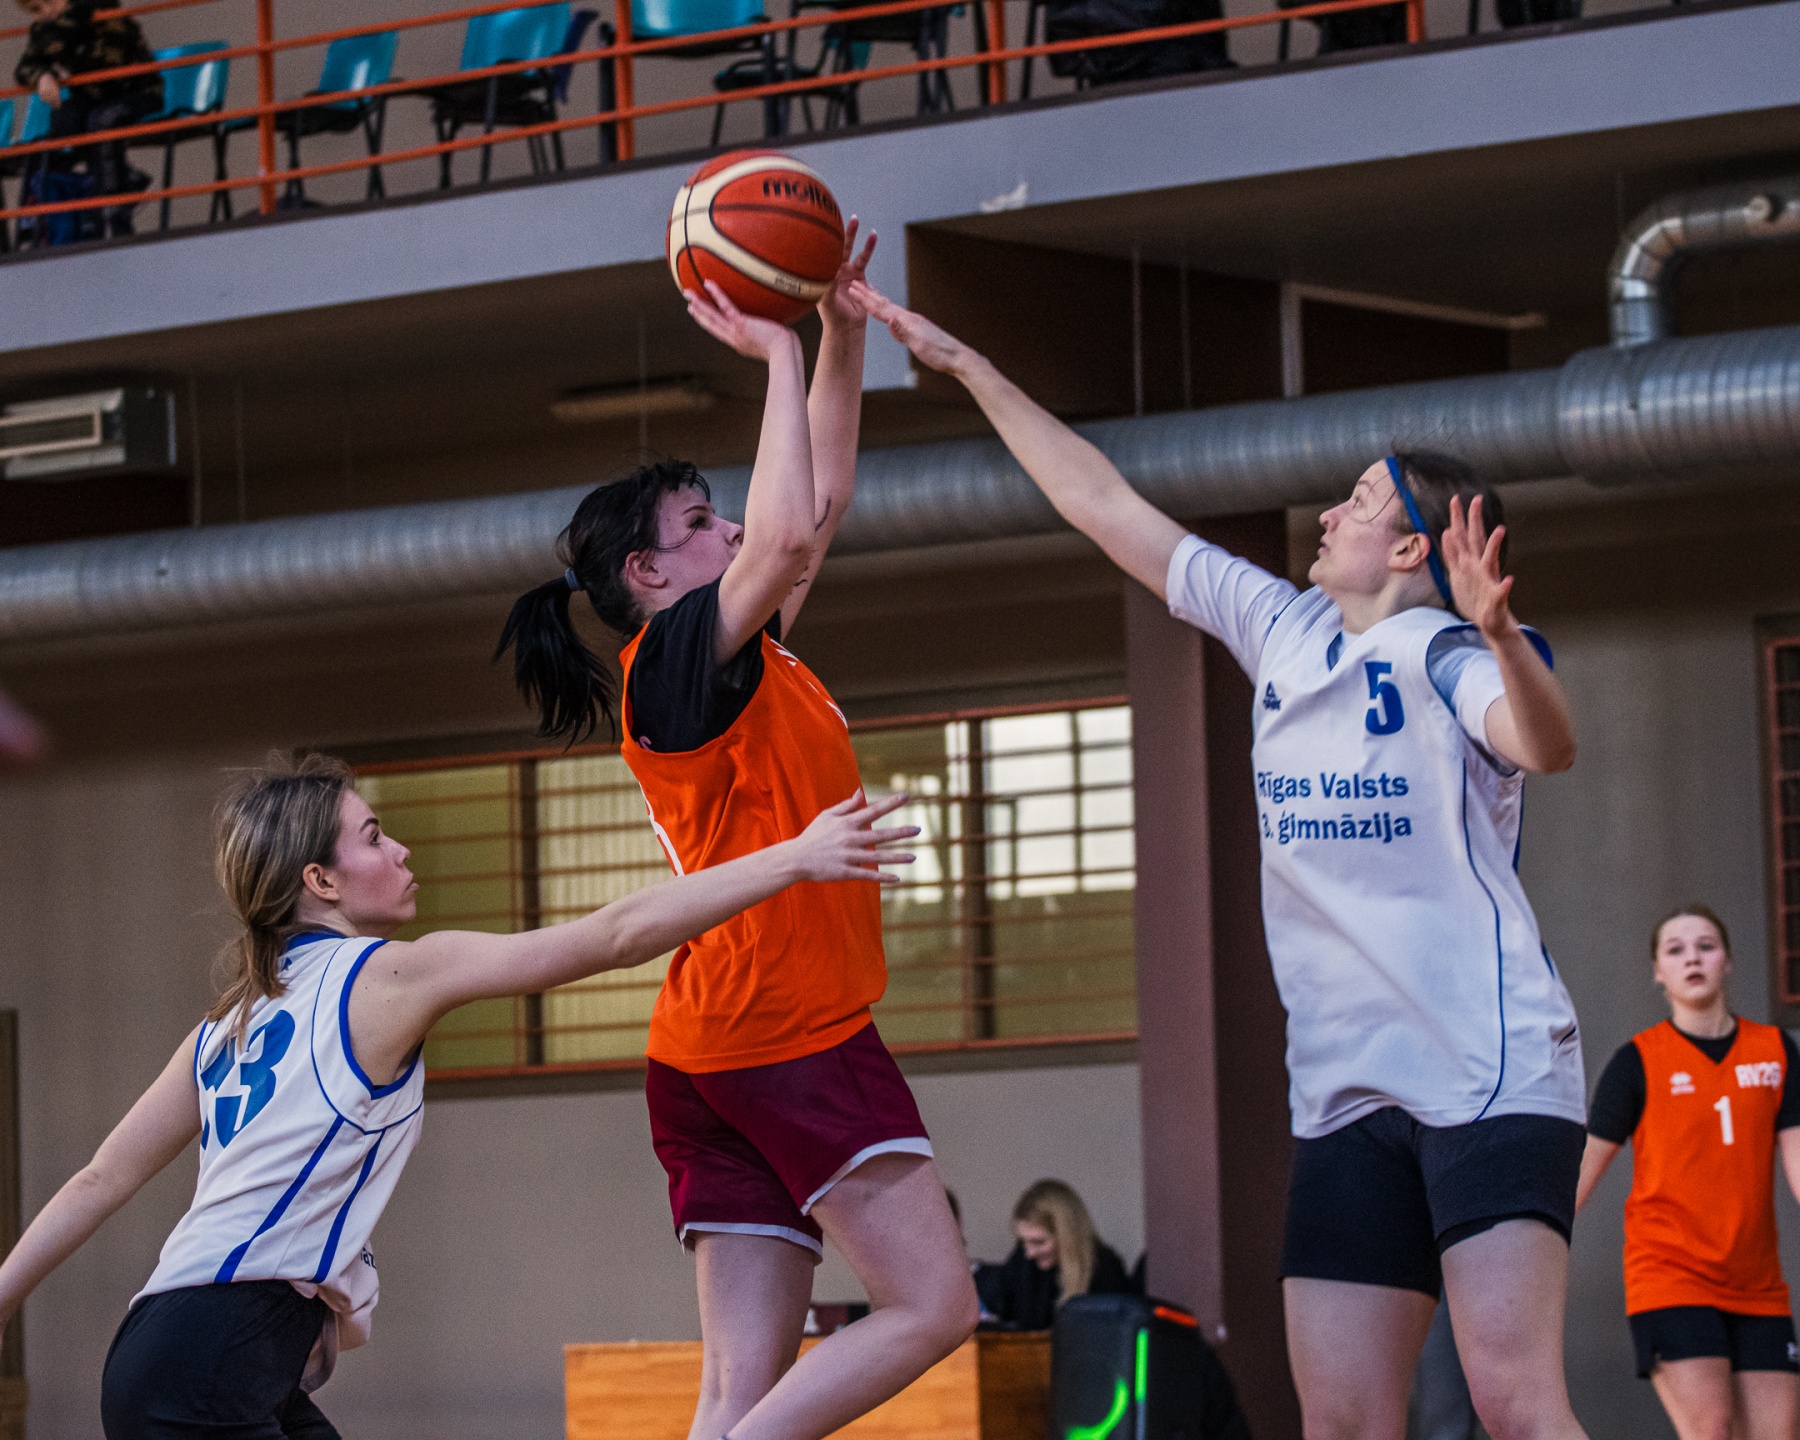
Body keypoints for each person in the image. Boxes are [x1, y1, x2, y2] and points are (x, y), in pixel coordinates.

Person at [847, 280, 1587, 1440]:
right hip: (1344, 1087)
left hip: (1486, 1069)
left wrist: (1498, 633)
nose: (1328, 513)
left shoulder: (1449, 653)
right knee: (1340, 1422)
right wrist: (969, 366)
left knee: (1515, 1404)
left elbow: (1545, 746)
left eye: (1356, 501)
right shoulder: (1280, 627)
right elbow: (1102, 503)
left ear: (1409, 546)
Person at [0, 753, 914, 1437]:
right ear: (320, 881)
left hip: (163, 1344)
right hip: (217, 1352)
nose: (398, 849)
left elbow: (97, 1178)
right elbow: (614, 935)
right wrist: (793, 858)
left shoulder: (226, 1023)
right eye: (372, 836)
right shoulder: (390, 974)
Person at [497, 222, 978, 1440]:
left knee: (731, 1391)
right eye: (704, 522)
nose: (733, 533)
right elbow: (786, 533)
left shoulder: (745, 655)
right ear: (651, 574)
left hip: (708, 1049)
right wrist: (775, 351)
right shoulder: (671, 660)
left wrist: (839, 336)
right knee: (935, 1306)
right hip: (789, 1035)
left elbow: (815, 508)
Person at [1576, 905, 1800, 1440]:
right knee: (1712, 1429)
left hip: (1757, 1284)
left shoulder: (1773, 1051)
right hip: (1670, 1276)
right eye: (1675, 950)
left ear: (1729, 961)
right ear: (1658, 972)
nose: (1692, 959)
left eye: (1706, 946)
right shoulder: (1638, 1061)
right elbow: (1578, 1174)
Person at [13, 0, 161, 237]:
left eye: (49, 2)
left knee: (101, 121)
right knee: (63, 121)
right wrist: (43, 75)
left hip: (137, 91)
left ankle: (115, 217)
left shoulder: (102, 10)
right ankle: (118, 182)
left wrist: (55, 52)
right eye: (35, 10)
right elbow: (24, 68)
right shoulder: (49, 28)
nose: (44, 13)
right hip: (93, 98)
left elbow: (110, 68)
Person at [976, 1179, 1136, 1331]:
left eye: (1039, 1242)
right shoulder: (1022, 1264)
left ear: (1067, 1235)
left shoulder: (1105, 1270)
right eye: (1023, 1242)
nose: (1029, 1253)